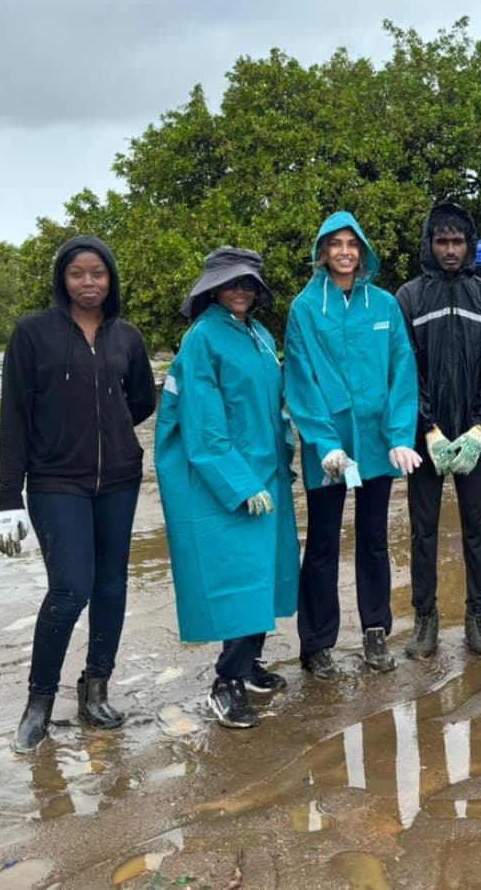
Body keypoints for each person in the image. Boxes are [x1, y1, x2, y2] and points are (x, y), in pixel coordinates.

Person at [0, 235, 156, 754]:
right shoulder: (32, 333)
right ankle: (38, 702)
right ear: (62, 279)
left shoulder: (126, 336)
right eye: (78, 274)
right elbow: (14, 417)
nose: (89, 283)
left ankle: (96, 687)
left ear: (112, 280)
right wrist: (7, 499)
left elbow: (142, 399)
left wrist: (106, 428)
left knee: (111, 587)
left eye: (99, 274)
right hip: (55, 481)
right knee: (69, 590)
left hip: (119, 481)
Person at [155, 248, 300, 728]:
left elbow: (275, 405)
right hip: (230, 482)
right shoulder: (203, 339)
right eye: (232, 282)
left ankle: (252, 664)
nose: (242, 290)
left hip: (266, 474)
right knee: (237, 581)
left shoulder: (258, 335)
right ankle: (227, 682)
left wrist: (285, 458)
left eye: (249, 283)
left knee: (265, 575)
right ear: (213, 287)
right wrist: (238, 482)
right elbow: (202, 424)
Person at [283, 212, 420, 680]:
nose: (344, 251)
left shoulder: (383, 305)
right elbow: (301, 378)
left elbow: (402, 371)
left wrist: (401, 436)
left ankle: (376, 631)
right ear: (323, 252)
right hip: (331, 449)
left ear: (362, 250)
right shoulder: (305, 307)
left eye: (352, 244)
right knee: (322, 544)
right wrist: (323, 443)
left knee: (374, 539)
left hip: (378, 444)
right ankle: (317, 643)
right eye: (335, 244)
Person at [396, 202, 481, 658]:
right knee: (423, 531)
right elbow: (405, 370)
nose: (449, 249)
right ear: (429, 244)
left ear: (469, 245)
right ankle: (425, 620)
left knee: (476, 529)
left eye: (457, 241)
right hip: (427, 442)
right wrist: (428, 429)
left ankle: (477, 618)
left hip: (472, 440)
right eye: (441, 241)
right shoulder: (409, 298)